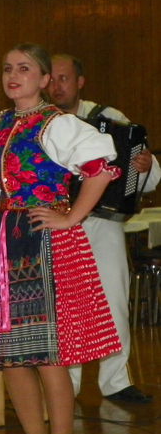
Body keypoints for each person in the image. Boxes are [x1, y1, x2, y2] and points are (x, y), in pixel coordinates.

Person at [0, 43, 123, 434]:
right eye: (8, 68)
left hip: (46, 240)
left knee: (49, 354)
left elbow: (102, 168)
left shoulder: (59, 123)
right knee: (12, 354)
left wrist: (71, 216)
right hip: (9, 239)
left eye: (25, 68)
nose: (14, 75)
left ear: (46, 79)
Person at [47, 54, 160, 403]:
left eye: (64, 78)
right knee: (66, 305)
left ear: (80, 82)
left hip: (103, 220)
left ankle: (116, 381)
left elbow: (146, 173)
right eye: (51, 79)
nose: (57, 86)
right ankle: (70, 384)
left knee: (113, 298)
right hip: (56, 222)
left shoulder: (109, 118)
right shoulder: (39, 121)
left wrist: (144, 164)